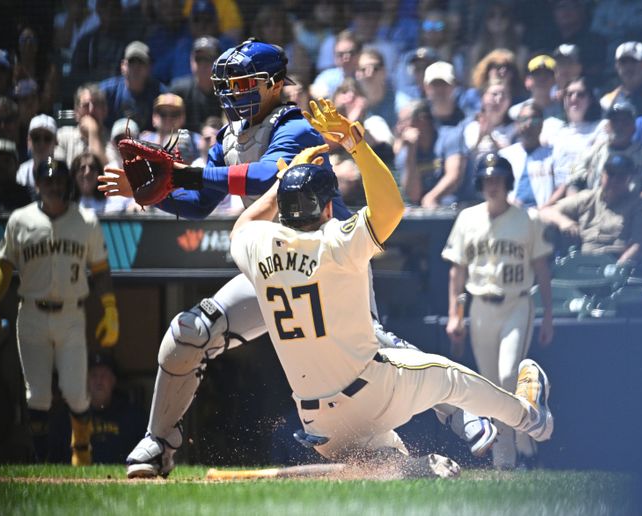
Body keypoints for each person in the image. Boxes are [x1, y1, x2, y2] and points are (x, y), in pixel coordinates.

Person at [99, 39, 493, 478]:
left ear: (273, 85)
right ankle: (159, 443)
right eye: (226, 84)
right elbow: (197, 201)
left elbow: (272, 173)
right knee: (188, 333)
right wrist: (154, 194)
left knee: (375, 350)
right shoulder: (230, 136)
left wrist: (183, 172)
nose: (231, 93)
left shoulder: (294, 123)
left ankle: (461, 406)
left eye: (243, 83)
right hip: (273, 264)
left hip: (331, 259)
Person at [228, 100, 554, 470]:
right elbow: (391, 208)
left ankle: (410, 468)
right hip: (370, 393)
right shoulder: (336, 240)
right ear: (328, 207)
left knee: (385, 456)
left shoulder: (258, 246)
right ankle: (530, 417)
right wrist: (357, 144)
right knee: (450, 378)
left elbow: (242, 227)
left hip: (316, 425)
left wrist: (281, 187)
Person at [0, 157, 120, 466]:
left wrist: (110, 309)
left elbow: (100, 270)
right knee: (38, 396)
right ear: (38, 184)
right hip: (31, 313)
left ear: (67, 184)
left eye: (59, 180)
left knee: (76, 393)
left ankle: (81, 451)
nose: (55, 186)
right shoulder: (20, 219)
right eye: (48, 180)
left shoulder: (85, 220)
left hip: (71, 314)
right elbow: (5, 266)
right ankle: (42, 460)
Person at [443, 153, 555, 469]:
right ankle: (509, 459)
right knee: (490, 385)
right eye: (488, 179)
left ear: (508, 182)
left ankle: (520, 449)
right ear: (480, 183)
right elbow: (457, 271)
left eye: (498, 179)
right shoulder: (467, 219)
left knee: (508, 374)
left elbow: (542, 268)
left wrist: (547, 315)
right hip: (481, 307)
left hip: (516, 303)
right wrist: (455, 313)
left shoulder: (527, 219)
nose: (493, 185)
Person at [48, 351, 148, 463]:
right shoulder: (68, 416)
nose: (99, 381)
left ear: (113, 381)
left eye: (104, 375)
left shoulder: (132, 416)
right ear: (85, 381)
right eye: (94, 375)